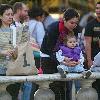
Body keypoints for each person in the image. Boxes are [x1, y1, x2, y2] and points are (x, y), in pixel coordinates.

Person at [41, 8, 80, 100]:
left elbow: (73, 47)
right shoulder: (53, 28)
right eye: (71, 22)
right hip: (48, 59)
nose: (74, 25)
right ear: (64, 20)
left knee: (66, 88)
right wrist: (63, 61)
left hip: (64, 59)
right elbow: (50, 50)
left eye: (76, 23)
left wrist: (75, 59)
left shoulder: (73, 29)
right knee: (55, 88)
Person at [0, 4, 18, 100]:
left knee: (13, 96)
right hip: (1, 70)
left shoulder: (16, 30)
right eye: (7, 14)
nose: (11, 17)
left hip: (14, 70)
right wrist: (3, 52)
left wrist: (16, 51)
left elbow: (21, 50)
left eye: (12, 14)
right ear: (0, 16)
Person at [84, 1, 100, 99]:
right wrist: (89, 60)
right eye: (97, 8)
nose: (98, 11)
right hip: (95, 61)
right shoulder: (90, 24)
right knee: (95, 87)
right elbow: (87, 43)